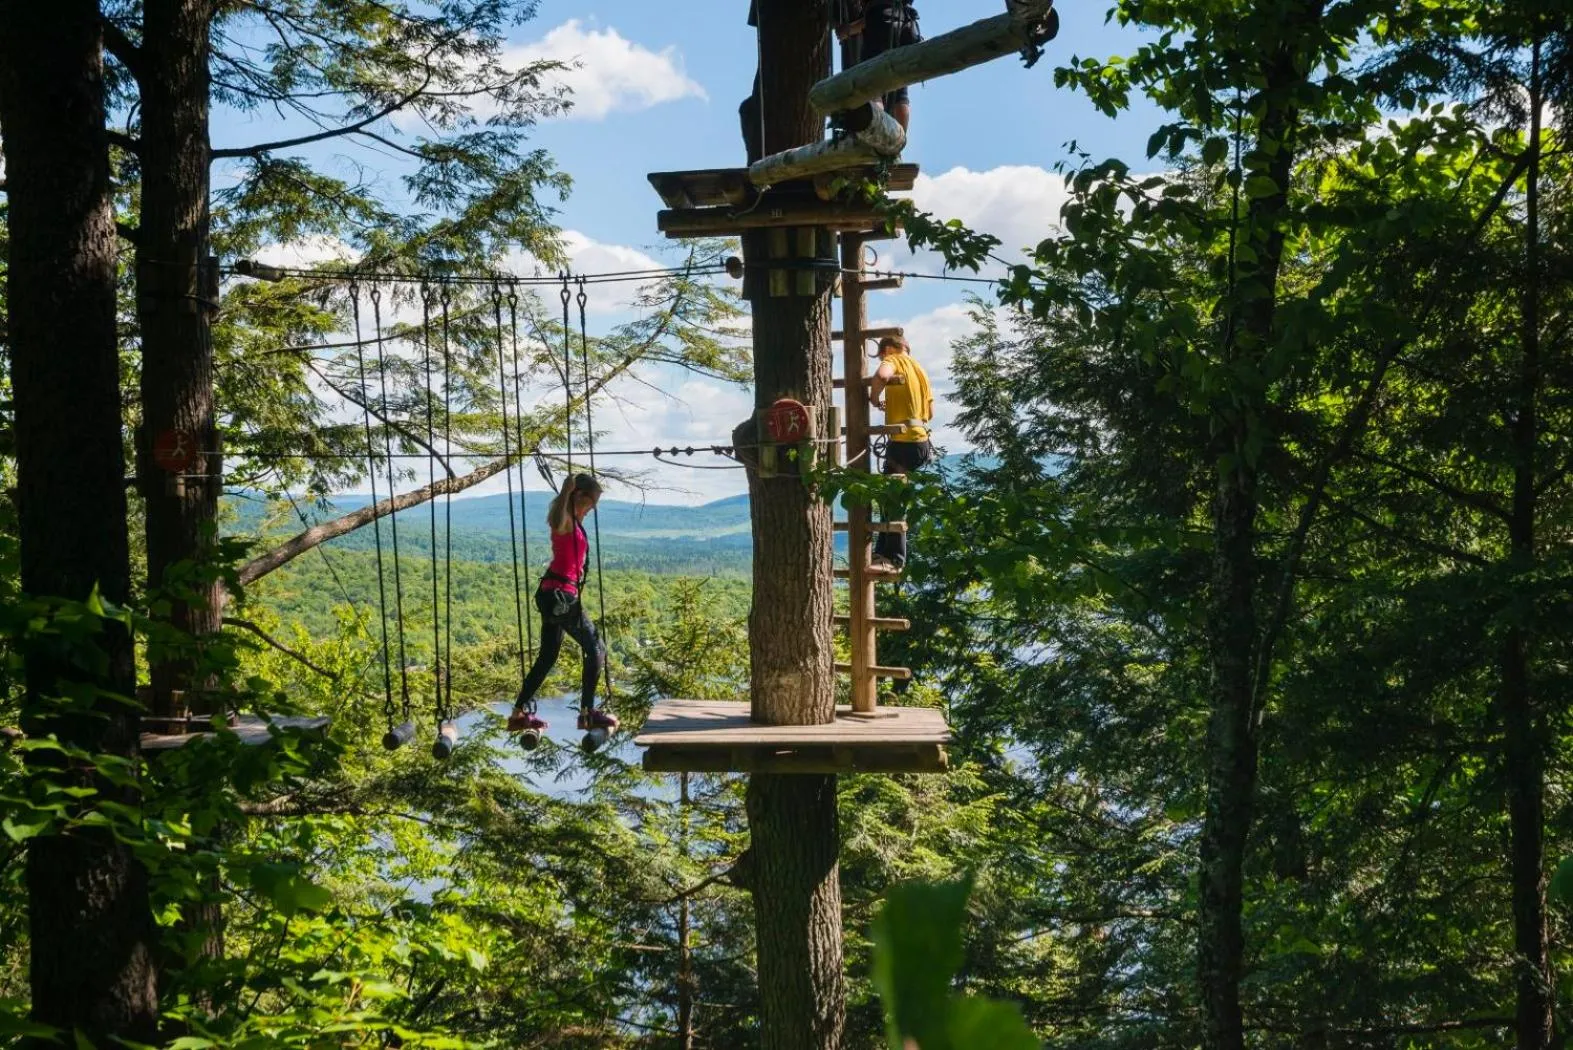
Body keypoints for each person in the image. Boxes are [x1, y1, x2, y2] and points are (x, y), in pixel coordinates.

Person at [508, 473, 617, 737]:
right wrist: (566, 491)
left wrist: (569, 495)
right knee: (597, 649)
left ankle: (518, 714)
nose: (593, 509)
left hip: (552, 595)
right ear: (580, 497)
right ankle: (587, 713)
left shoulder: (576, 522)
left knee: (547, 658)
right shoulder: (565, 519)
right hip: (561, 596)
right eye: (592, 503)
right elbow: (556, 518)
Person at [868, 333, 934, 571]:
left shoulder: (894, 360)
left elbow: (881, 376)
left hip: (904, 441)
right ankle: (882, 552)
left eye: (880, 356)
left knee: (893, 496)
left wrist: (874, 398)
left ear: (887, 349)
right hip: (921, 442)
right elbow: (931, 411)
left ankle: (894, 557)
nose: (881, 359)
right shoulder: (921, 370)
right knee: (892, 494)